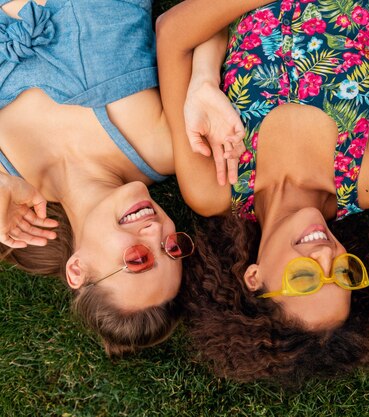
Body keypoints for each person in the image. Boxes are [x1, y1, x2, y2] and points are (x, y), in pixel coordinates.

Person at [155, 0, 369, 379]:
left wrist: (204, 81)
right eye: (343, 274)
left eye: (305, 277)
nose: (326, 255)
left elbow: (172, 35)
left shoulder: (213, 184)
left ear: (254, 277)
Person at [0, 0, 231, 355]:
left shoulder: (8, 186)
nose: (157, 233)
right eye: (171, 249)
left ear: (77, 269)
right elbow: (203, 25)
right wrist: (205, 77)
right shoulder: (163, 147)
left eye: (138, 259)